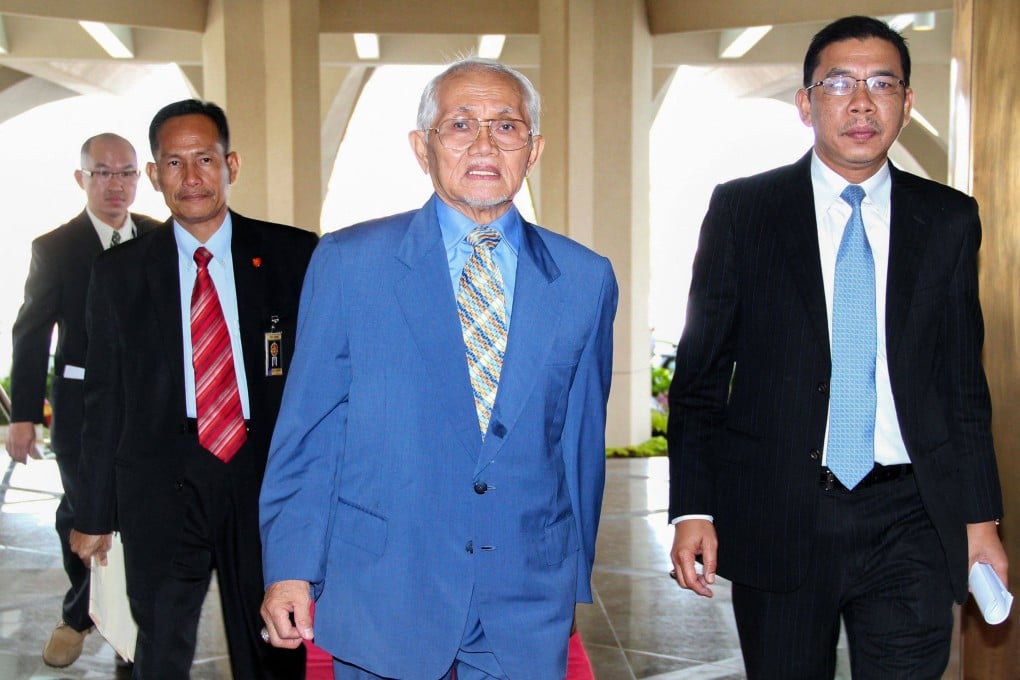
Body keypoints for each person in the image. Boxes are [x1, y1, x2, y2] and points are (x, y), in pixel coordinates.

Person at [667, 15, 1008, 680]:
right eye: (839, 84)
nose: (861, 102)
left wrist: (981, 518)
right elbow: (701, 376)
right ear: (806, 102)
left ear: (906, 104)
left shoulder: (947, 219)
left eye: (882, 83)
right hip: (782, 511)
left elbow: (962, 383)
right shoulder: (745, 212)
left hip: (910, 516)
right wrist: (693, 508)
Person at [259, 57, 618, 680]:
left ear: (533, 149)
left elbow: (579, 441)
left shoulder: (585, 279)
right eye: (459, 125)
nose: (484, 144)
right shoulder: (350, 264)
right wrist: (290, 567)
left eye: (506, 127)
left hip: (524, 599)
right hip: (386, 587)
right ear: (422, 147)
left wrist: (569, 576)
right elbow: (311, 434)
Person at [69, 100, 317, 679]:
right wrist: (93, 510)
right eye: (174, 163)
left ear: (231, 165)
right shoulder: (119, 274)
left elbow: (326, 381)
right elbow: (104, 397)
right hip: (160, 484)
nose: (192, 177)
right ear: (154, 176)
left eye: (204, 159)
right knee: (158, 647)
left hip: (264, 482)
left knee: (274, 647)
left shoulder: (293, 255)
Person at [5, 132, 162, 669]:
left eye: (126, 173)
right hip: (77, 405)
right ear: (82, 179)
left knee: (129, 511)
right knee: (79, 507)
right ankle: (81, 611)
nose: (115, 185)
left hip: (146, 405)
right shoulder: (56, 247)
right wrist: (23, 416)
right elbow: (30, 335)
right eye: (103, 173)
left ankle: (97, 617)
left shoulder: (161, 238)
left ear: (140, 178)